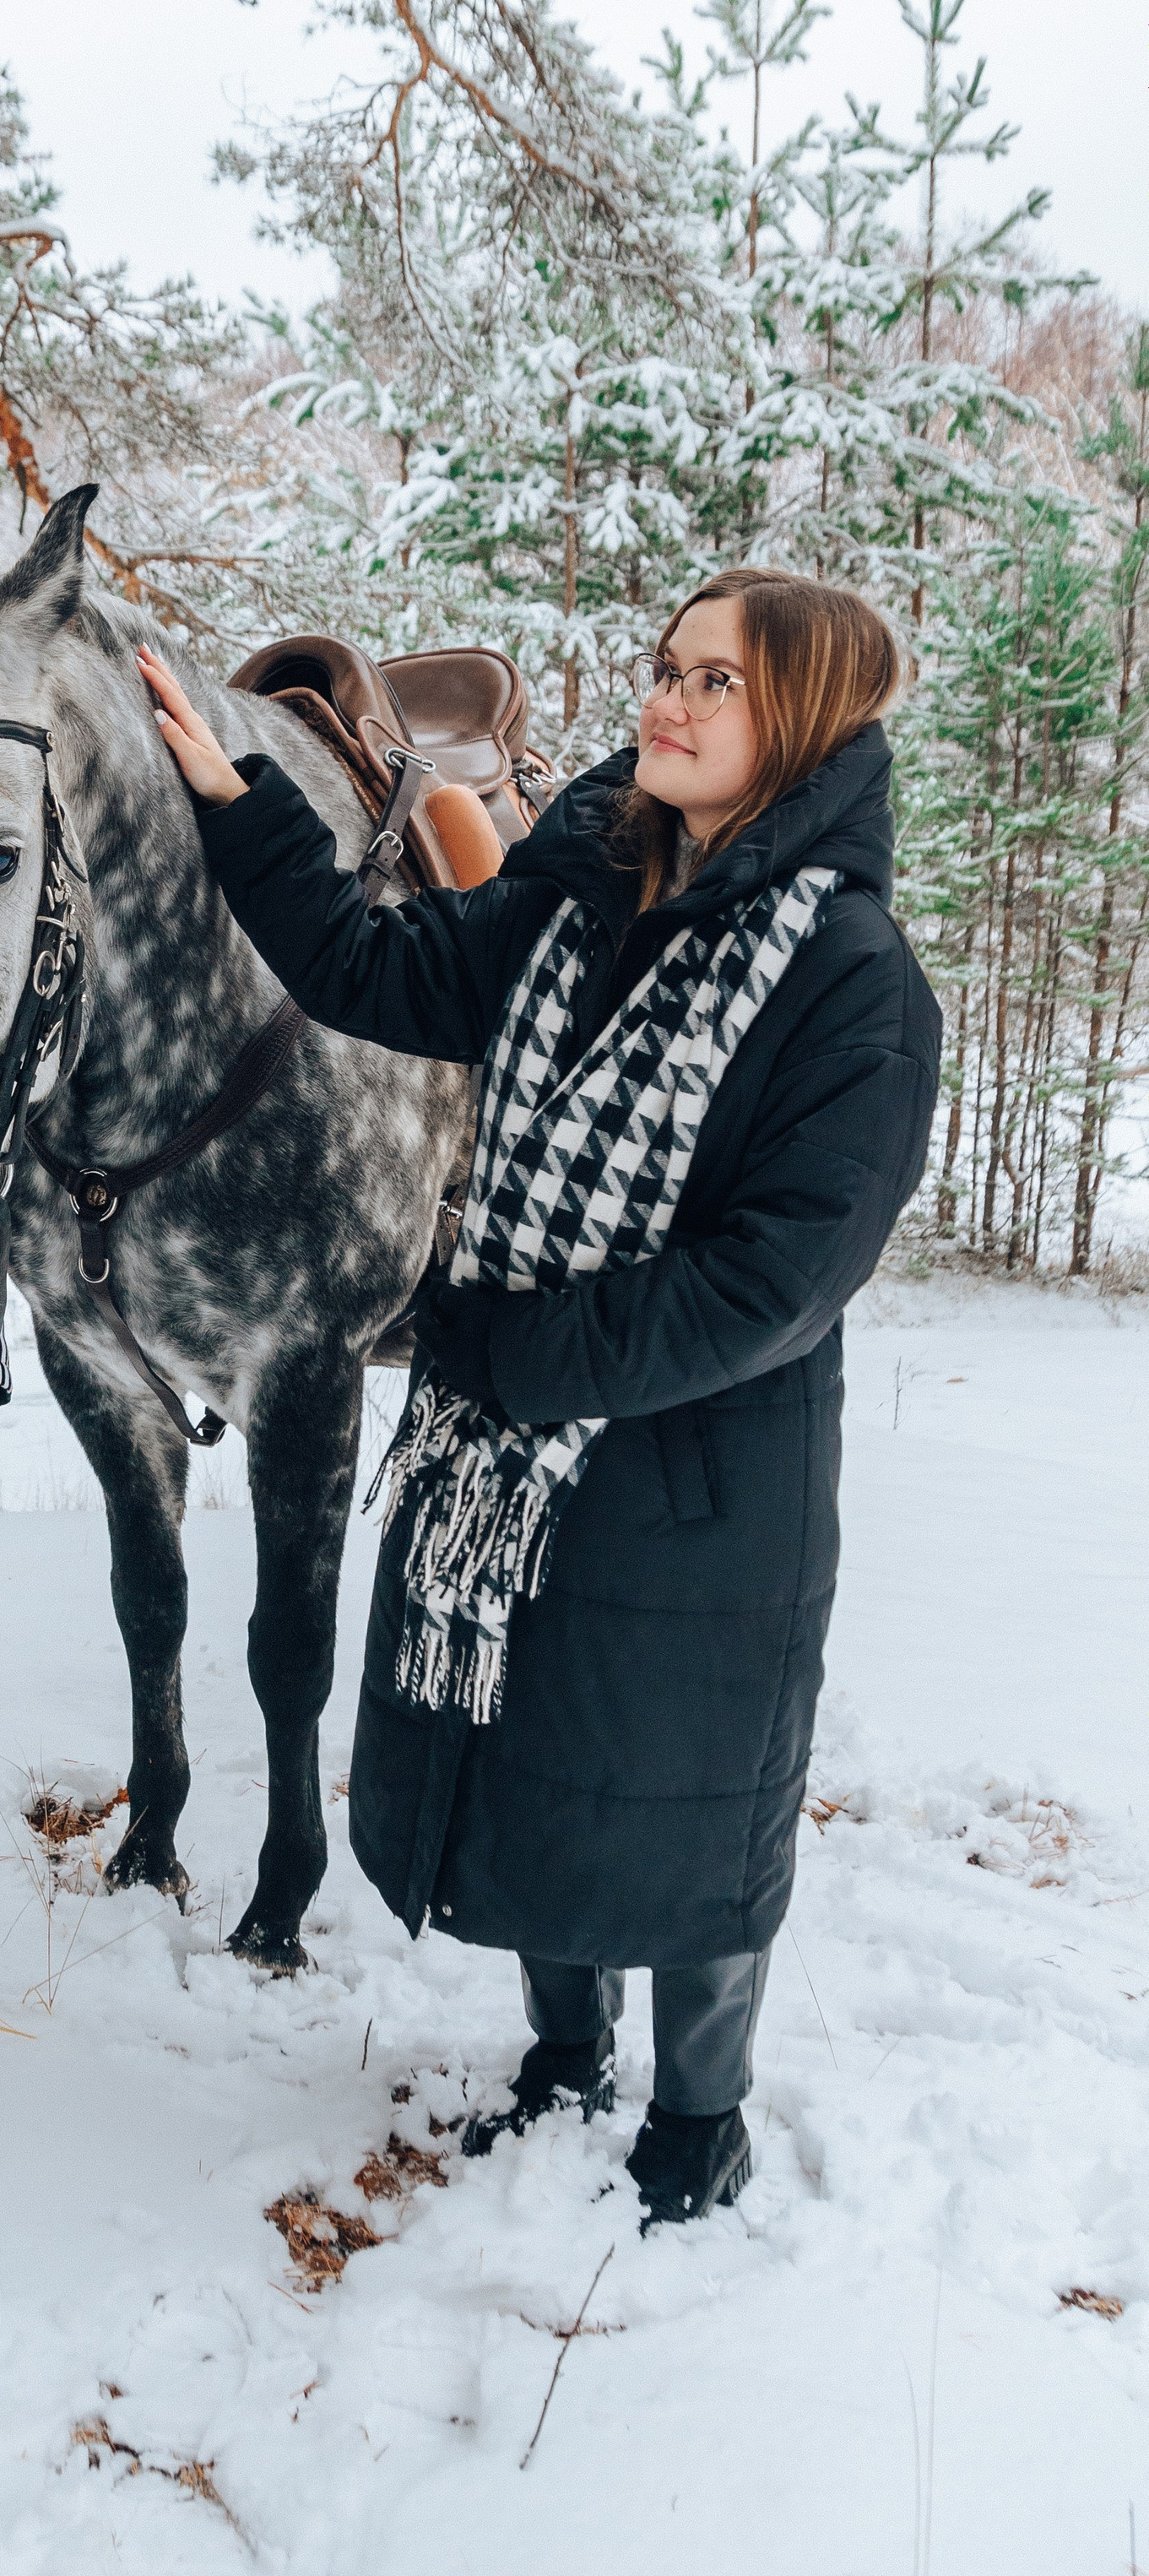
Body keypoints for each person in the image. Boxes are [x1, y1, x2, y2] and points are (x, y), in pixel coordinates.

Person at [137, 570, 939, 2228]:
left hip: (694, 1485)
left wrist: (502, 1351)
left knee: (685, 1823)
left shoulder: (851, 980)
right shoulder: (573, 895)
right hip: (510, 1460)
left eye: (714, 681)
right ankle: (563, 2059)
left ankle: (695, 2119)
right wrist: (232, 809)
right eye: (664, 665)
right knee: (529, 1775)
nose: (667, 698)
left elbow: (773, 1280)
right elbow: (371, 968)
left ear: (797, 723)